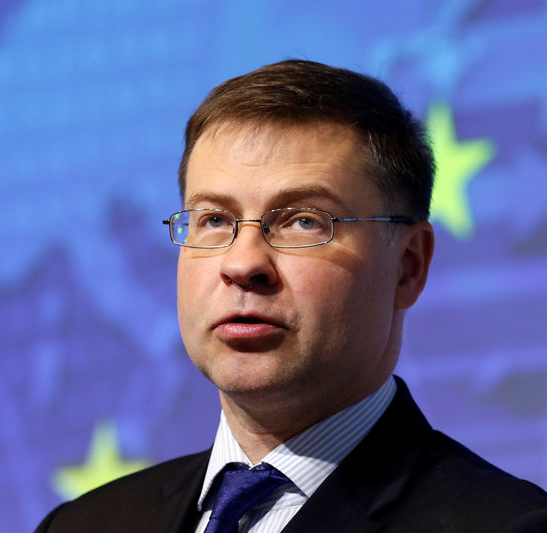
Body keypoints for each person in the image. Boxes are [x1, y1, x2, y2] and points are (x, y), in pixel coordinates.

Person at [35, 59, 547, 532]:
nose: (242, 264)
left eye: (304, 221)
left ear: (408, 267)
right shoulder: (85, 524)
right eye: (214, 220)